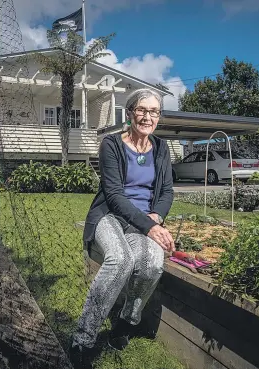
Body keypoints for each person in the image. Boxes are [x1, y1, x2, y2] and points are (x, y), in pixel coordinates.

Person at [69, 88, 176, 368]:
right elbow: (114, 195)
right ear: (129, 113)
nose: (147, 116)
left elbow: (166, 191)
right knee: (121, 260)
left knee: (153, 264)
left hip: (145, 220)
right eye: (141, 110)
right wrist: (149, 227)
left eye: (154, 112)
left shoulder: (162, 148)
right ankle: (83, 337)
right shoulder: (111, 145)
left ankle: (126, 322)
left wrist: (157, 216)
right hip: (110, 215)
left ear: (158, 117)